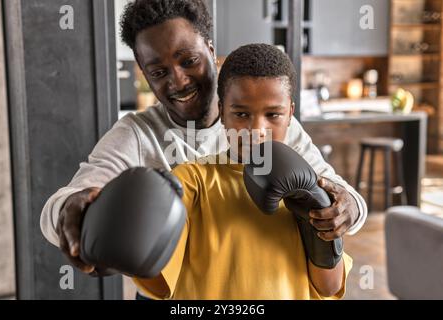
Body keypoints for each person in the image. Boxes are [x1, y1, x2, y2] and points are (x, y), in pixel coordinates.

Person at [40, 0, 366, 276]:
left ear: (210, 50)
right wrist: (70, 209)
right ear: (145, 74)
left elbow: (346, 199)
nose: (179, 81)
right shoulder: (138, 135)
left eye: (188, 60)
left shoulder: (272, 128)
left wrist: (346, 208)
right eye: (159, 71)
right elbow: (62, 204)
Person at [133, 43, 352, 299]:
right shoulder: (192, 180)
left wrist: (317, 227)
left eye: (273, 114)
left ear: (290, 113)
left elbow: (330, 287)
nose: (256, 129)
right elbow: (157, 286)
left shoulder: (307, 184)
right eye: (241, 114)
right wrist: (137, 237)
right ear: (222, 113)